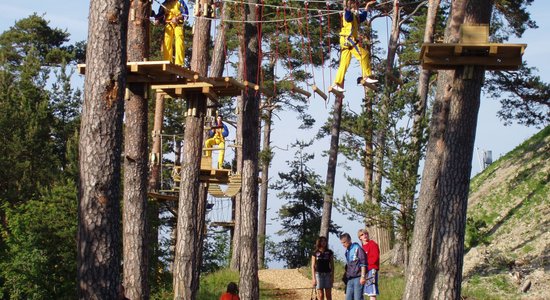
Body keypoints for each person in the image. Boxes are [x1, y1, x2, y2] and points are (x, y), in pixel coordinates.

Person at [331, 0, 378, 94]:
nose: (357, 9)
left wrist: (367, 6)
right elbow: (348, 18)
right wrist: (348, 7)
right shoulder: (349, 14)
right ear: (353, 7)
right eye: (356, 7)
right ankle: (366, 76)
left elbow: (362, 17)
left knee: (344, 64)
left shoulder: (355, 17)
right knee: (364, 54)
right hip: (348, 40)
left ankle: (336, 83)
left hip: (346, 42)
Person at [153, 0, 189, 66]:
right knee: (167, 42)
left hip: (178, 24)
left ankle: (179, 62)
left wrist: (177, 18)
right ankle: (167, 61)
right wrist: (157, 20)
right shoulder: (164, 4)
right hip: (168, 24)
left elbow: (185, 14)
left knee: (179, 40)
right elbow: (160, 15)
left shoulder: (180, 2)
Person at [340, 232, 367, 300]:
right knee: (348, 298)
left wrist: (363, 277)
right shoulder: (347, 251)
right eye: (342, 243)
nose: (343, 244)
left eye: (344, 242)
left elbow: (363, 263)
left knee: (358, 298)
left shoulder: (357, 248)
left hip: (358, 277)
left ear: (350, 240)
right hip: (350, 278)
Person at [358, 229, 380, 300]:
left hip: (371, 269)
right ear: (360, 237)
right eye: (362, 234)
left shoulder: (373, 244)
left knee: (372, 292)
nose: (364, 235)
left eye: (366, 233)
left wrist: (366, 265)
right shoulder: (361, 248)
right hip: (363, 272)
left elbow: (375, 258)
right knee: (363, 291)